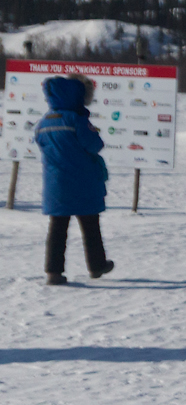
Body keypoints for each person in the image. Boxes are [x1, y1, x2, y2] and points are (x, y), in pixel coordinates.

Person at [35, 74, 114, 286]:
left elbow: (42, 146)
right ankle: (97, 265)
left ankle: (53, 272)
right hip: (82, 183)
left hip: (55, 184)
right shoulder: (76, 120)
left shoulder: (43, 122)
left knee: (57, 229)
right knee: (90, 227)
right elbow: (94, 145)